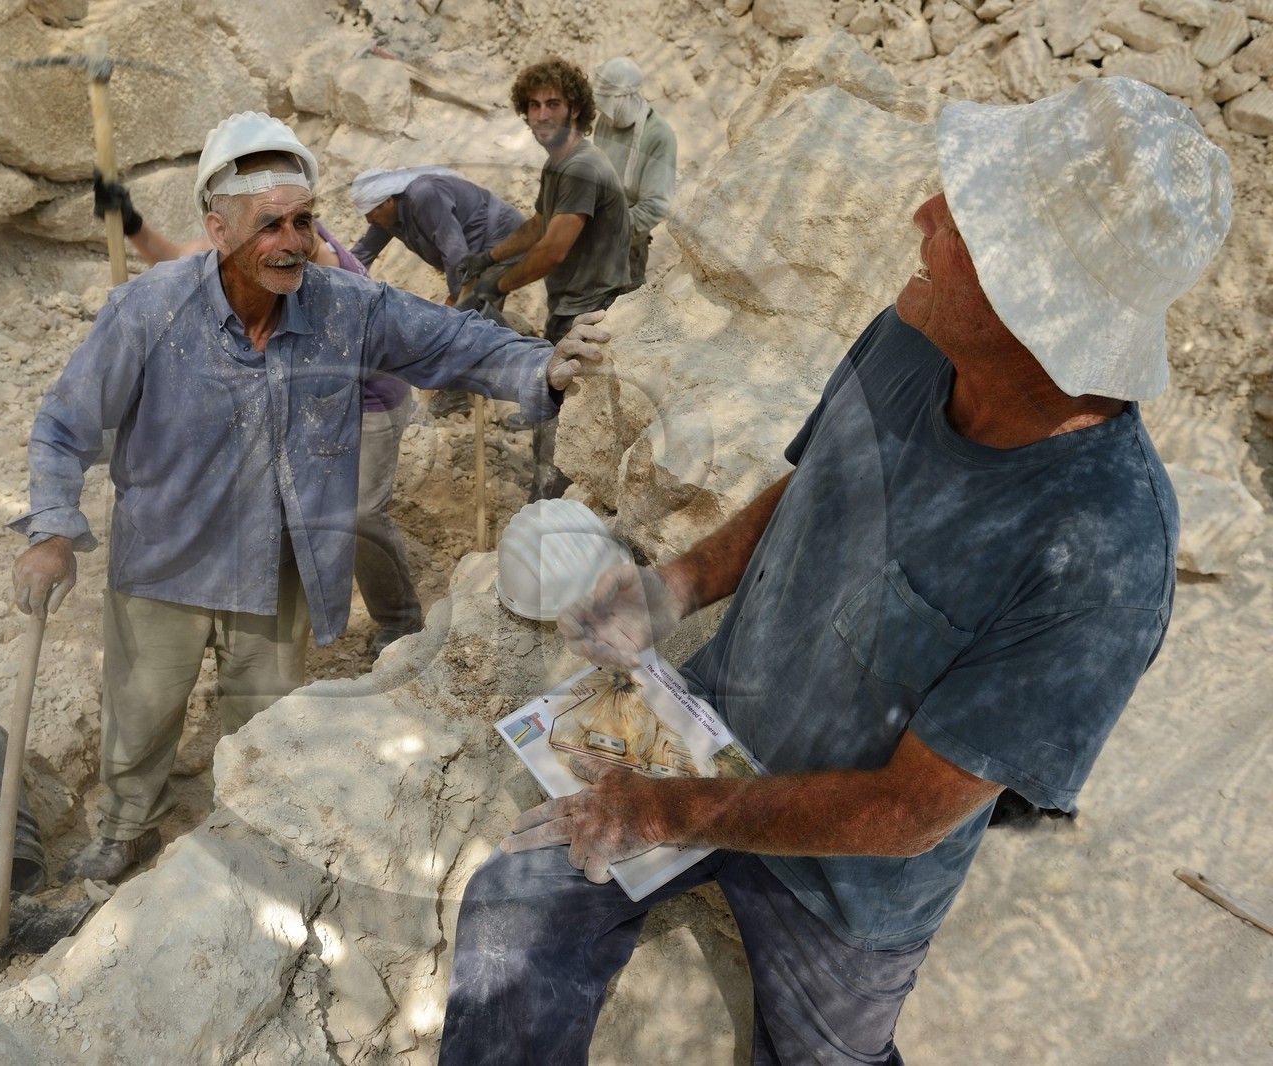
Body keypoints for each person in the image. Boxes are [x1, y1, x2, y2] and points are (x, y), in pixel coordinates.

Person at [437, 77, 1230, 1065]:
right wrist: (674, 585)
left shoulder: (1103, 555)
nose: (923, 216)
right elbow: (812, 483)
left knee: (826, 1057)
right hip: (713, 725)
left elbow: (904, 816)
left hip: (847, 878)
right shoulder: (916, 333)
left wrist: (666, 809)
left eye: (966, 220)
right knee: (512, 908)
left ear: (1034, 305)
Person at [11, 111, 604, 884]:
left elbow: (451, 341)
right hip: (163, 561)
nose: (294, 241)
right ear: (218, 230)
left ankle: (244, 835)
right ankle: (128, 829)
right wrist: (51, 530)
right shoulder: (149, 311)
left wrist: (544, 366)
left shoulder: (343, 307)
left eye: (304, 220)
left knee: (263, 723)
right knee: (142, 714)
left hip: (273, 566)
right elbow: (63, 426)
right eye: (270, 227)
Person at [93, 169, 425, 659]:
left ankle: (402, 621)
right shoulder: (249, 251)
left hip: (369, 397)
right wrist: (132, 223)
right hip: (315, 398)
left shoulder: (313, 255)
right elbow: (178, 260)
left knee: (355, 514)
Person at [458, 56, 631, 502]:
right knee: (552, 424)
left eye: (552, 103)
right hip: (571, 309)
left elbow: (554, 248)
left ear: (575, 108)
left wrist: (496, 286)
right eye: (533, 106)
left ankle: (550, 520)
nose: (541, 115)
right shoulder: (560, 163)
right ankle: (547, 511)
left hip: (592, 316)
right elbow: (539, 223)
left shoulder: (581, 167)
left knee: (563, 437)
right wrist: (488, 258)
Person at [350, 166, 529, 418]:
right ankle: (474, 385)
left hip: (499, 244)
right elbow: (361, 255)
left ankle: (518, 386)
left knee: (466, 322)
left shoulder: (424, 195)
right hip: (470, 258)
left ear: (388, 200)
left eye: (370, 213)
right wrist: (338, 283)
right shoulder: (385, 219)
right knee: (467, 321)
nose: (367, 220)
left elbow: (453, 248)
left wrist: (460, 300)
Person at [590, 56, 677, 291]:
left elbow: (656, 205)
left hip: (626, 249)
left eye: (607, 105)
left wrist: (608, 229)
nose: (603, 114)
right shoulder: (607, 121)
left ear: (625, 98)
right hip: (592, 236)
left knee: (616, 315)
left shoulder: (659, 136)